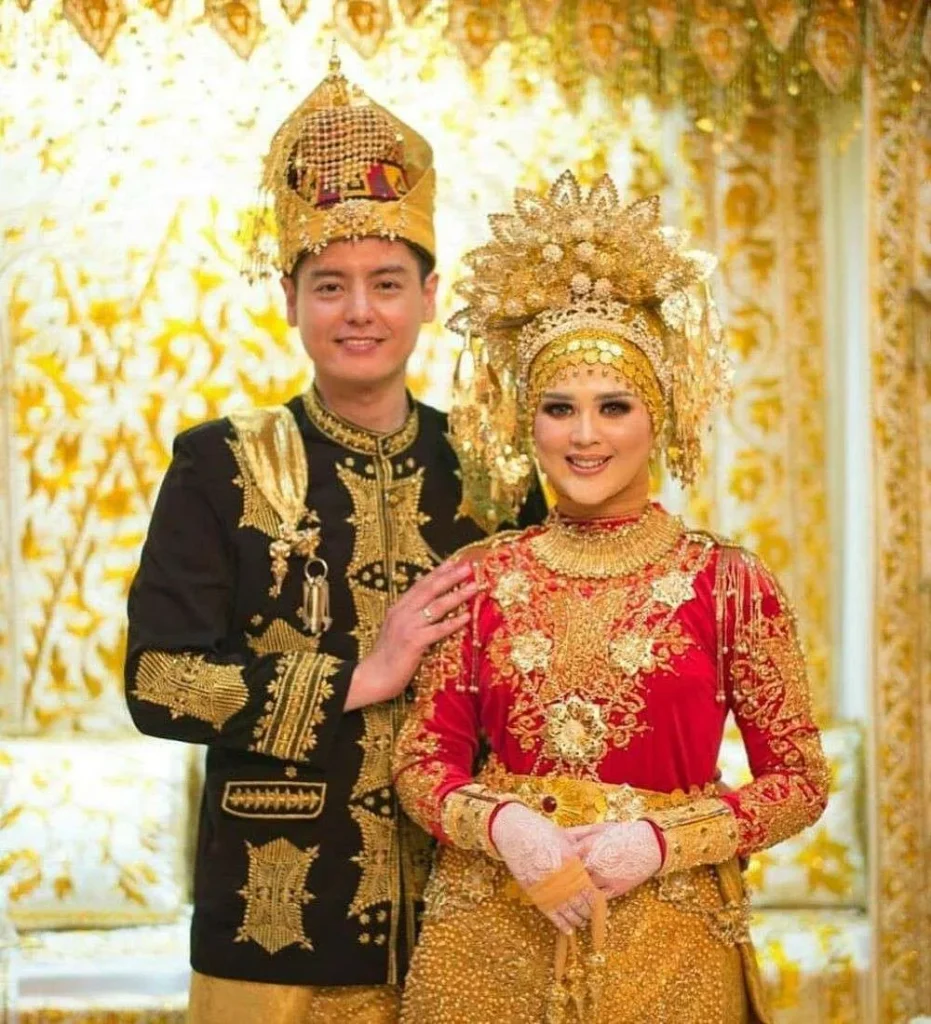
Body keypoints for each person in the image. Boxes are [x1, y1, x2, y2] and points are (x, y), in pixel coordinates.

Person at [123, 54, 545, 1024]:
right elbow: (159, 680)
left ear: (429, 295)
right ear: (289, 296)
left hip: (468, 913)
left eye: (386, 282)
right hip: (276, 913)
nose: (360, 311)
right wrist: (365, 674)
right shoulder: (220, 463)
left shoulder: (496, 475)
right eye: (330, 285)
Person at [393, 171, 830, 1024]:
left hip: (667, 946)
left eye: (613, 406)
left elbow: (798, 782)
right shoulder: (480, 577)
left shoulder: (728, 584)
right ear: (529, 421)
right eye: (559, 408)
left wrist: (660, 842)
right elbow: (420, 762)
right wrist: (506, 829)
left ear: (655, 416)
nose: (584, 435)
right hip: (487, 941)